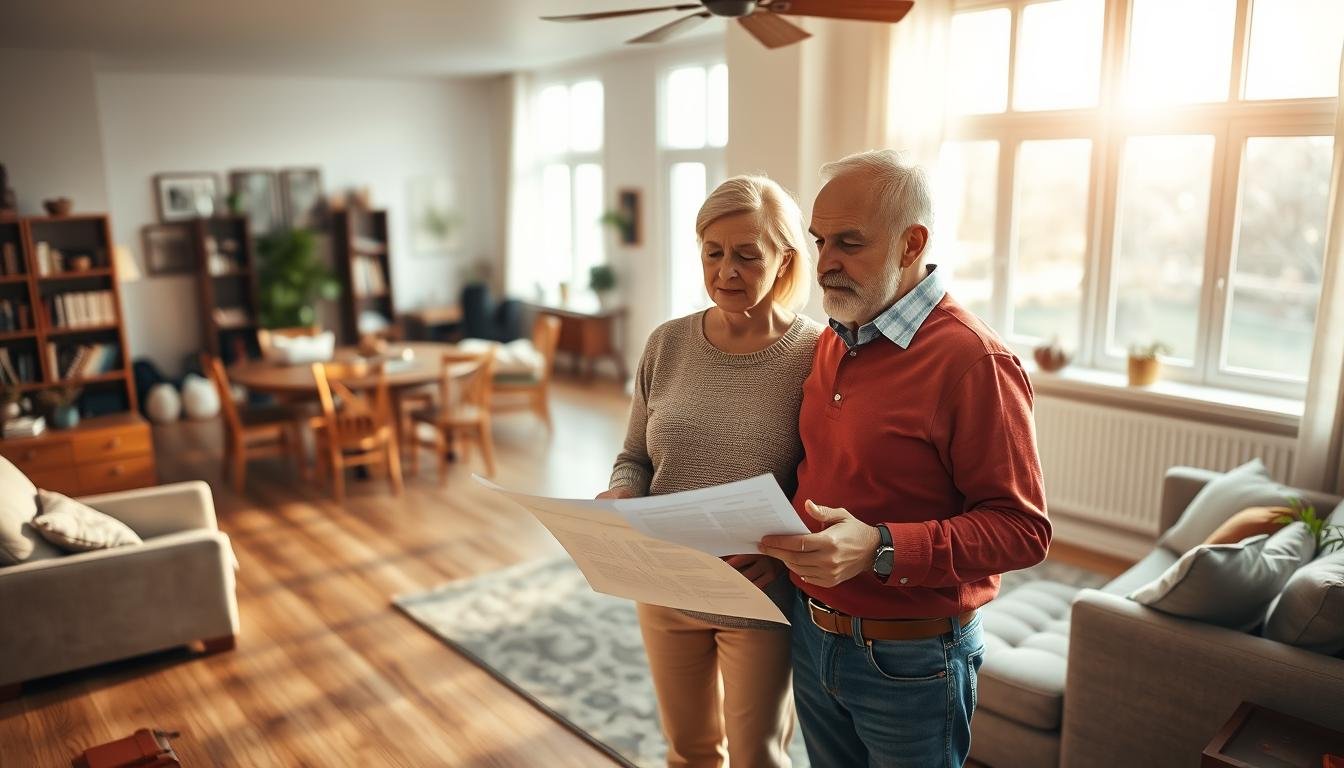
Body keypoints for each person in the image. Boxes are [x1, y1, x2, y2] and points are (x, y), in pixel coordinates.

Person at [758, 149, 1052, 768]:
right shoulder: (832, 339)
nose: (825, 262)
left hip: (912, 661)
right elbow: (821, 473)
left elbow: (1023, 531)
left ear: (911, 243)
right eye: (820, 241)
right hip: (811, 635)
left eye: (849, 242)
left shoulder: (975, 362)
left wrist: (881, 546)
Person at [599, 175, 823, 768]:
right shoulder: (666, 344)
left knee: (757, 757)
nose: (726, 271)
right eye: (713, 252)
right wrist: (621, 492)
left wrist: (784, 554)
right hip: (665, 581)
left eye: (748, 255)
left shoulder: (815, 355)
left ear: (784, 261)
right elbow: (635, 456)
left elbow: (830, 482)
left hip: (757, 594)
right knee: (689, 752)